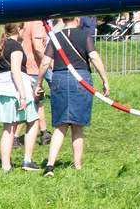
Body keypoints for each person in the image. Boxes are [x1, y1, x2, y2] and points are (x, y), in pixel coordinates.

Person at [41, 19, 110, 175]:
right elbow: (94, 58)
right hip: (81, 78)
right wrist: (105, 80)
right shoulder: (85, 35)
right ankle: (77, 167)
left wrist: (39, 83)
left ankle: (50, 165)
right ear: (78, 19)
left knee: (61, 125)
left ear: (62, 20)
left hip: (59, 78)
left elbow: (45, 62)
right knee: (77, 126)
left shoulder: (56, 36)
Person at [0, 25, 40, 172]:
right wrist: (23, 96)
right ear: (19, 29)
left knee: (9, 128)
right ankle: (27, 160)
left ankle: (6, 166)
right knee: (33, 121)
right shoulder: (16, 46)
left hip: (3, 88)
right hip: (15, 89)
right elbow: (16, 71)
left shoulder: (1, 46)